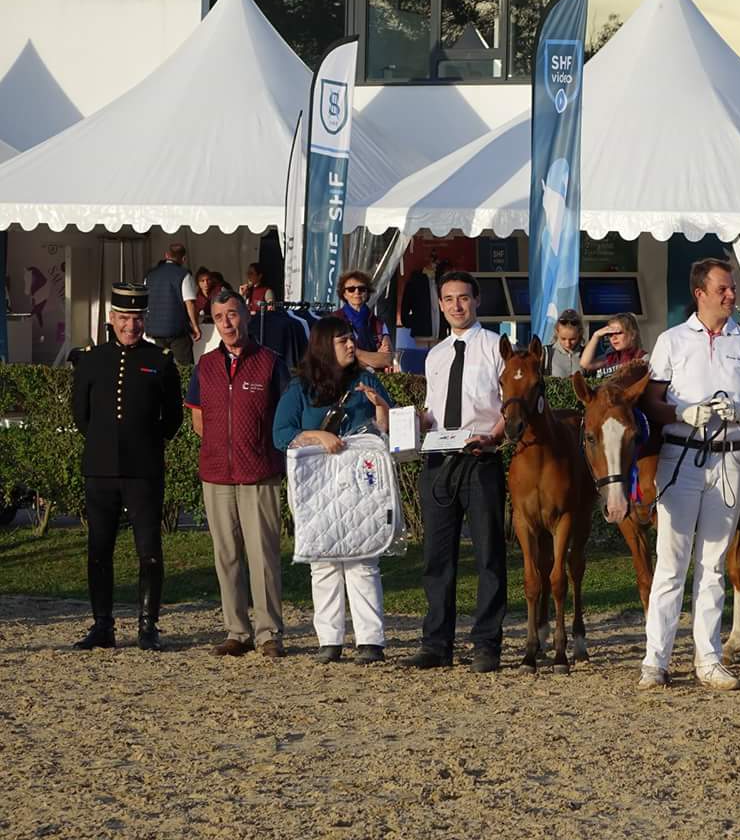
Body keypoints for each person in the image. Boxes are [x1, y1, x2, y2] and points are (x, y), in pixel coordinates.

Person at [638, 258, 740, 691]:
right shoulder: (672, 341)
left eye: (731, 288)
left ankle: (709, 658)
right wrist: (681, 411)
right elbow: (651, 402)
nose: (731, 295)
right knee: (671, 563)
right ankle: (655, 659)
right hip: (681, 455)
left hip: (731, 457)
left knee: (714, 563)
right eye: (723, 289)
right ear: (700, 293)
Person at [405, 270, 508, 673]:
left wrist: (494, 439)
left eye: (463, 298)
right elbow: (433, 410)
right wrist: (415, 421)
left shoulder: (497, 347)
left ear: (477, 300)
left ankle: (486, 644)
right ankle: (436, 644)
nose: (456, 306)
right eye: (448, 299)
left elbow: (509, 406)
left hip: (481, 457)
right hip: (438, 460)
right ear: (441, 304)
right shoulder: (436, 354)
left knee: (488, 556)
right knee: (437, 557)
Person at [273, 316, 392, 665]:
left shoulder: (365, 381)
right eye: (342, 341)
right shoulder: (300, 389)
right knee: (323, 561)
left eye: (351, 338)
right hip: (317, 485)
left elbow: (387, 431)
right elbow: (282, 434)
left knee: (362, 557)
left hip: (359, 484)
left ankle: (370, 639)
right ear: (325, 346)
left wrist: (381, 407)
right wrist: (317, 436)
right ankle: (330, 639)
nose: (351, 345)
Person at [70, 284, 183, 651]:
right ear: (111, 319)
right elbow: (81, 415)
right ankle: (102, 625)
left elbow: (173, 418)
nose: (130, 326)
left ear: (145, 320)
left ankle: (148, 627)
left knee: (148, 549)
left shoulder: (161, 360)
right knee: (99, 548)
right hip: (100, 468)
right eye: (123, 318)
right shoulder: (91, 359)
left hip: (143, 469)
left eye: (136, 319)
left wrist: (146, 443)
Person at [186, 289, 291, 658]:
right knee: (226, 554)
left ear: (246, 315)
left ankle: (268, 633)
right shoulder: (206, 366)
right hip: (216, 472)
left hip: (259, 471)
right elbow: (199, 419)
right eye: (219, 318)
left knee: (263, 554)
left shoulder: (270, 362)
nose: (227, 323)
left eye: (232, 315)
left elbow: (284, 415)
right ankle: (236, 631)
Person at [142, 243, 200, 364]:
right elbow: (189, 303)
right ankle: (185, 384)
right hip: (176, 329)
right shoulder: (184, 275)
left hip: (154, 329)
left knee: (159, 365)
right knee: (185, 367)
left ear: (166, 255)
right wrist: (195, 326)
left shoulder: (150, 275)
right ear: (183, 259)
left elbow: (145, 301)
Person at [334, 269, 392, 371]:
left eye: (361, 289)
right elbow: (337, 358)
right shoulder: (334, 320)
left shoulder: (378, 323)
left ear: (367, 292)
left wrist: (355, 353)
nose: (357, 292)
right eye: (351, 289)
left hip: (374, 381)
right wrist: (375, 358)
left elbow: (387, 359)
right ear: (344, 294)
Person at [580, 312, 645, 377]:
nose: (614, 338)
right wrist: (596, 335)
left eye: (618, 333)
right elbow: (585, 364)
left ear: (633, 334)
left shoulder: (643, 358)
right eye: (610, 334)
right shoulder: (611, 357)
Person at [546, 309, 585, 377]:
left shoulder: (586, 354)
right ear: (557, 333)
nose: (568, 344)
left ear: (580, 334)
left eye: (572, 339)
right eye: (563, 339)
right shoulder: (546, 353)